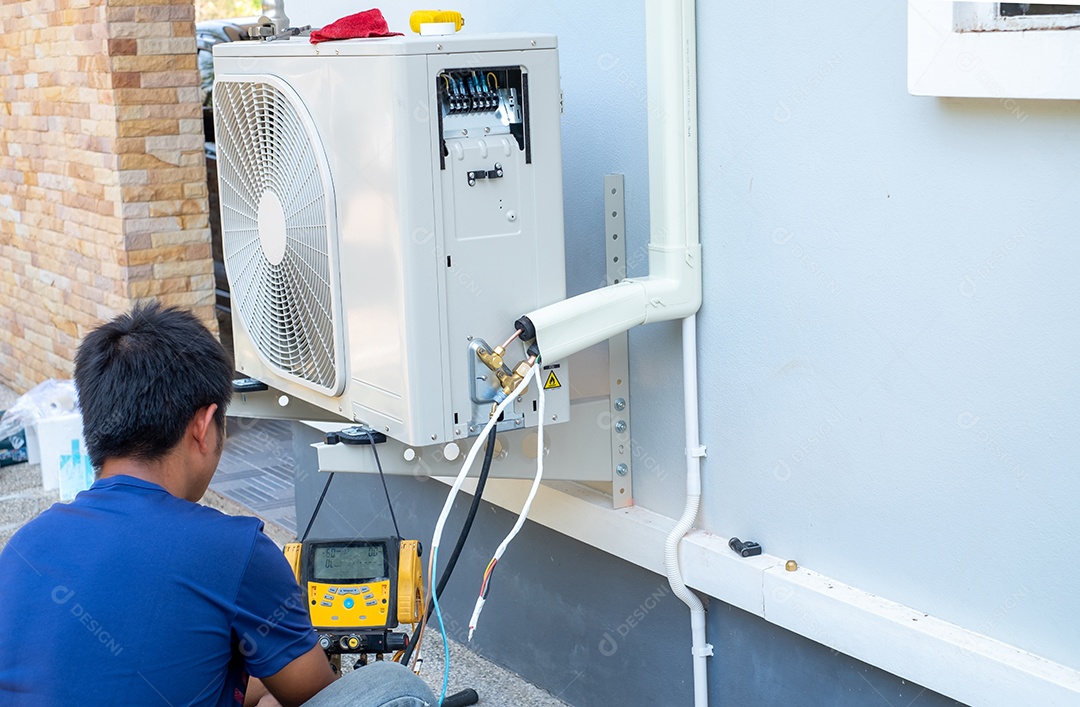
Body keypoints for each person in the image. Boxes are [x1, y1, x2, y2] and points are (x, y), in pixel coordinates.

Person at [0, 302, 435, 707]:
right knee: (394, 689)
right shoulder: (233, 548)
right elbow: (311, 695)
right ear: (204, 427)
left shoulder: (24, 548)